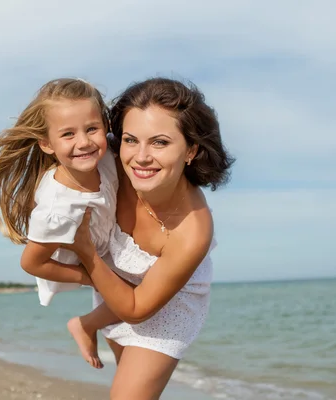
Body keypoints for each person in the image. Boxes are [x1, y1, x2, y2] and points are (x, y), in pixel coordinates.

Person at [66, 77, 234, 399]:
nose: (140, 157)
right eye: (131, 140)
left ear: (191, 150)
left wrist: (86, 252)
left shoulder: (193, 229)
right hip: (115, 280)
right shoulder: (112, 157)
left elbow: (137, 308)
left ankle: (87, 323)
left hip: (166, 306)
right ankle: (86, 323)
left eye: (159, 143)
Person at [0, 78, 123, 369]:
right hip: (82, 262)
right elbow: (31, 264)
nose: (84, 142)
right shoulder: (58, 206)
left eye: (92, 128)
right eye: (68, 134)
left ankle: (95, 332)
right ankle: (83, 325)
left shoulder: (108, 157)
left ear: (105, 126)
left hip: (110, 246)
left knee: (129, 317)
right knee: (131, 299)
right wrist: (87, 276)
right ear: (47, 144)